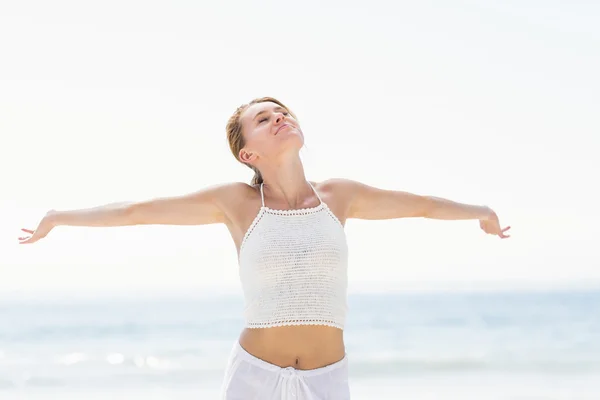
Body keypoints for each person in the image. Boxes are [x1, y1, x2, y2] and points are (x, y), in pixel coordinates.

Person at [18, 96, 511, 399]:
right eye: (263, 118)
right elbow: (136, 211)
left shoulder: (338, 196)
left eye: (282, 112)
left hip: (326, 381)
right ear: (247, 153)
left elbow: (422, 204)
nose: (279, 117)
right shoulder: (236, 203)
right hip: (254, 379)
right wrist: (58, 217)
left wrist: (480, 211)